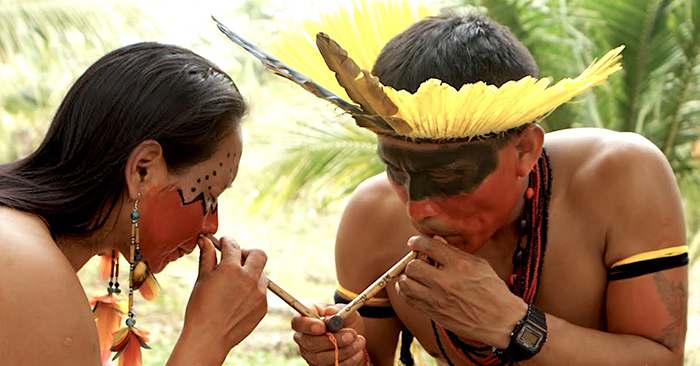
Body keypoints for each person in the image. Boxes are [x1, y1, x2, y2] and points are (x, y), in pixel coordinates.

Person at [219, 1, 689, 365]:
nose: (417, 208)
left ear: (525, 149)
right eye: (398, 172)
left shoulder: (618, 176)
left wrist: (512, 324)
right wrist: (341, 355)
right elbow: (369, 359)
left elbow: (661, 358)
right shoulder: (372, 218)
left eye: (448, 177)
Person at [0, 42, 268, 365]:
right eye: (208, 197)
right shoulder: (32, 277)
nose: (212, 226)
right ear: (143, 170)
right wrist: (208, 336)